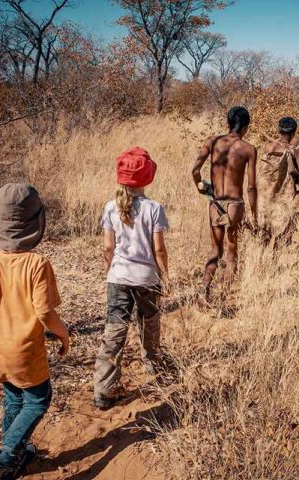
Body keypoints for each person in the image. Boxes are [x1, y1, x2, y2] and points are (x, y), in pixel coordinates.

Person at [0, 183, 70, 480]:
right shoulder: (37, 264)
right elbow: (45, 312)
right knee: (38, 400)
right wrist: (63, 334)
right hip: (25, 350)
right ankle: (4, 456)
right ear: (37, 222)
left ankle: (16, 452)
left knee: (13, 397)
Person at [94, 146, 169, 410]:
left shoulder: (110, 207)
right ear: (148, 176)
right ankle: (153, 366)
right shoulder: (154, 208)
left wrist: (109, 271)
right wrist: (165, 275)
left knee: (115, 329)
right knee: (149, 322)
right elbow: (158, 248)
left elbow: (107, 247)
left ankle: (103, 388)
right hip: (147, 277)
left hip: (118, 276)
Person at [191, 106, 257, 299]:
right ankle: (223, 296)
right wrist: (254, 215)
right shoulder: (249, 149)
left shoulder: (212, 141)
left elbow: (195, 170)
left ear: (227, 123)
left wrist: (200, 187)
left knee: (215, 250)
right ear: (246, 128)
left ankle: (205, 287)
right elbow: (251, 187)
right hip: (235, 204)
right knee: (231, 253)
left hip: (216, 203)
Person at [259, 117, 299, 247]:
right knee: (292, 218)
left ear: (279, 130)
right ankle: (276, 256)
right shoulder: (294, 152)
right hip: (283, 199)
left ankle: (261, 258)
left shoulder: (266, 148)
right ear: (293, 133)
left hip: (265, 196)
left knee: (265, 229)